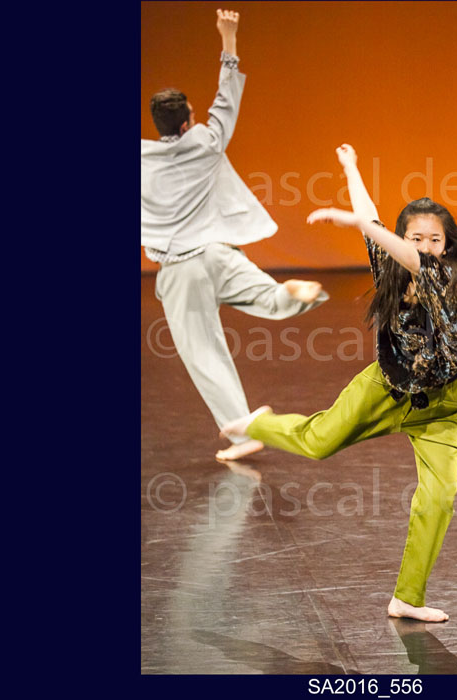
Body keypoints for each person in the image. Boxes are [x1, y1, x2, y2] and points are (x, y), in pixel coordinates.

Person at [221, 144, 457, 622]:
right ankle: (259, 425)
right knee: (318, 442)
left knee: (438, 499)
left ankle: (407, 597)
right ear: (402, 238)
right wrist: (351, 169)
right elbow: (373, 222)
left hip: (439, 408)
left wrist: (363, 224)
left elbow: (396, 245)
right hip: (384, 387)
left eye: (435, 239)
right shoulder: (390, 264)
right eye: (416, 237)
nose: (426, 246)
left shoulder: (455, 277)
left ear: (447, 246)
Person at [141, 9, 329, 462]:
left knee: (205, 354)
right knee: (269, 298)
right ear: (187, 123)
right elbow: (226, 101)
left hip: (181, 271)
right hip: (219, 255)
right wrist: (229, 40)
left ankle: (245, 436)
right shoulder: (206, 141)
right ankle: (291, 292)